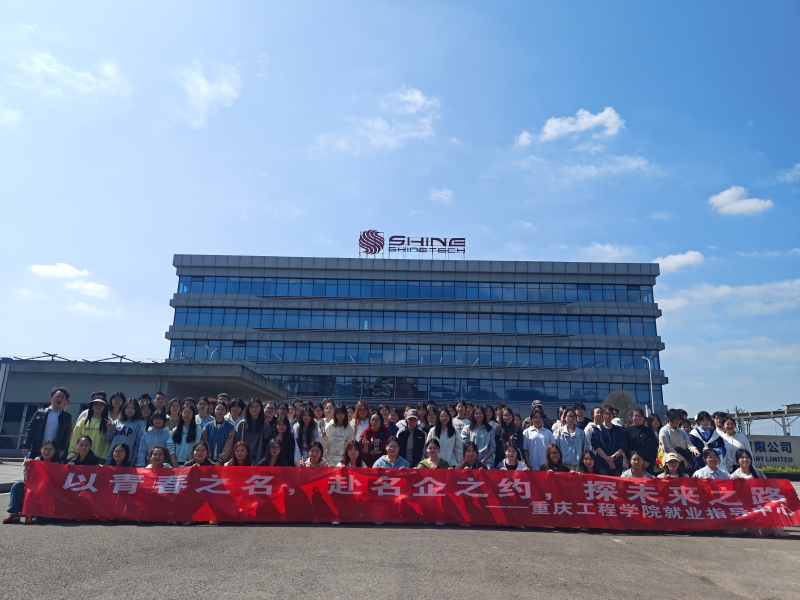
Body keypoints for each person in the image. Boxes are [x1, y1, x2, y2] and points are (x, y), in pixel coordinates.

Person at [4, 439, 58, 524]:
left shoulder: (58, 464)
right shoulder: (36, 460)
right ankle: (14, 513)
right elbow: (28, 480)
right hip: (34, 488)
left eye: (50, 449)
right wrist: (26, 467)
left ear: (55, 451)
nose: (47, 452)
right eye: (45, 449)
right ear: (41, 449)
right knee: (18, 484)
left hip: (48, 493)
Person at [21, 387, 73, 462]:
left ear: (65, 401)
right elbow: (30, 430)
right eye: (57, 396)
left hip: (55, 452)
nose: (59, 399)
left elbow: (66, 435)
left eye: (62, 397)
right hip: (38, 448)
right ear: (51, 398)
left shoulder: (67, 417)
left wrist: (62, 449)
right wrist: (26, 445)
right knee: (34, 468)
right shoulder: (39, 413)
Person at [67, 396, 111, 462]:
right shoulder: (83, 421)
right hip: (81, 458)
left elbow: (108, 442)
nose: (98, 406)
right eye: (96, 404)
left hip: (99, 459)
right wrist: (71, 454)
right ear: (91, 405)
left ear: (105, 407)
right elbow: (75, 438)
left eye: (101, 405)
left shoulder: (108, 421)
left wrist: (104, 457)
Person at [105, 399, 146, 465]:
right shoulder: (117, 422)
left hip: (127, 458)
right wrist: (110, 430)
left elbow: (139, 443)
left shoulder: (139, 424)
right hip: (112, 457)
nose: (129, 410)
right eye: (127, 407)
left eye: (133, 408)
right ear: (124, 408)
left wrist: (134, 459)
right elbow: (110, 440)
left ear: (136, 409)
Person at [590, 406, 627, 476]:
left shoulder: (618, 430)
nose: (608, 415)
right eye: (606, 413)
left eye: (610, 413)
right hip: (602, 464)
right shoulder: (597, 430)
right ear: (602, 415)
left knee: (617, 482)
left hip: (617, 464)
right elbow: (596, 446)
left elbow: (623, 446)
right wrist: (609, 461)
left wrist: (613, 457)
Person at [234, 398, 273, 464]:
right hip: (243, 456)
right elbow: (236, 440)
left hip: (258, 457)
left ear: (261, 408)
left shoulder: (265, 425)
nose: (254, 409)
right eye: (251, 406)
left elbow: (267, 443)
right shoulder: (242, 424)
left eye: (256, 406)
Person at [624, 408, 659, 474]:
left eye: (640, 416)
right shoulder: (627, 431)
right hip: (633, 463)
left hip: (647, 464)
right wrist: (632, 461)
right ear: (632, 417)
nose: (638, 418)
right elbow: (626, 448)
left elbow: (653, 447)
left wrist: (648, 462)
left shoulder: (649, 430)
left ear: (643, 417)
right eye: (635, 416)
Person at [659, 409, 694, 474]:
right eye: (675, 419)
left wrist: (694, 449)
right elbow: (668, 449)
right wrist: (682, 459)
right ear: (669, 418)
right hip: (670, 462)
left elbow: (688, 444)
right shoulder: (664, 431)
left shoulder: (682, 432)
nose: (678, 421)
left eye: (679, 419)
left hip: (684, 463)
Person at [554, 408, 589, 472]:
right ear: (564, 417)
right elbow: (556, 449)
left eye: (573, 416)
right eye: (569, 416)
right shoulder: (559, 432)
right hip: (563, 464)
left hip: (578, 465)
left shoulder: (581, 432)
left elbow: (586, 449)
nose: (571, 418)